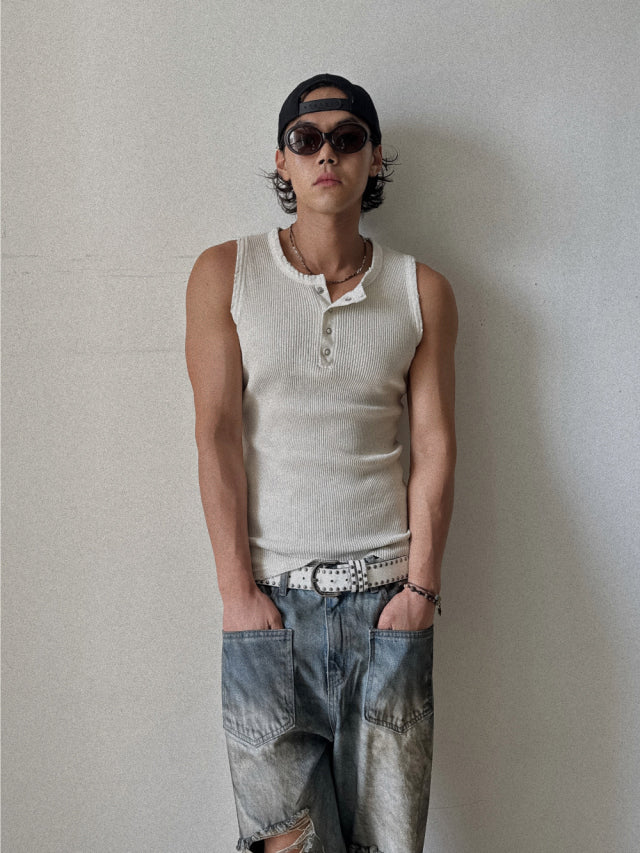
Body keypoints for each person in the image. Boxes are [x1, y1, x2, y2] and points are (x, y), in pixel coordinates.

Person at [185, 73, 458, 853]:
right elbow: (215, 435)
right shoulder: (226, 273)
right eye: (306, 139)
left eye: (347, 138)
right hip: (269, 613)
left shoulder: (422, 290)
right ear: (283, 159)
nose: (326, 154)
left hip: (387, 608)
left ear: (375, 157)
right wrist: (237, 593)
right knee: (288, 845)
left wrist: (420, 591)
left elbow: (436, 445)